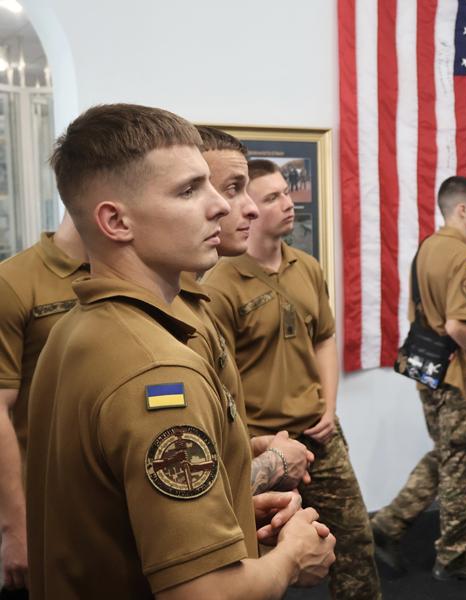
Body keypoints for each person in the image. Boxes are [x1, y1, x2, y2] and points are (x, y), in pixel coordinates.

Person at [25, 104, 335, 599]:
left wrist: (234, 497)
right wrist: (292, 558)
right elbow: (203, 594)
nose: (220, 207)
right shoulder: (158, 369)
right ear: (116, 221)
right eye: (189, 190)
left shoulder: (76, 329)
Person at [202, 159, 380, 599]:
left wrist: (329, 407)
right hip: (261, 445)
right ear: (246, 208)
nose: (288, 204)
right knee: (256, 562)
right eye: (272, 198)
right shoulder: (220, 284)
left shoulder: (307, 266)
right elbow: (218, 379)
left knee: (355, 543)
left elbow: (324, 338)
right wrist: (248, 443)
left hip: (319, 436)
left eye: (287, 192)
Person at [369, 176, 466, 581]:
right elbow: (456, 326)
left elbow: (419, 316)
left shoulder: (426, 248)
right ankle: (453, 557)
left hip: (427, 374)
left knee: (447, 453)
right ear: (462, 209)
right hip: (456, 377)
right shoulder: (464, 255)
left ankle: (387, 525)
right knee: (461, 464)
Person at [176, 125, 314, 495]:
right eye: (232, 189)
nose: (248, 208)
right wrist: (276, 462)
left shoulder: (190, 304)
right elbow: (189, 486)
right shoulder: (171, 319)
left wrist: (247, 449)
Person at [0, 214, 88, 594]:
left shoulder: (129, 276)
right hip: (43, 511)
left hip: (104, 507)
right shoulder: (13, 282)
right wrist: (15, 527)